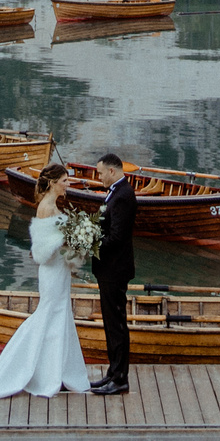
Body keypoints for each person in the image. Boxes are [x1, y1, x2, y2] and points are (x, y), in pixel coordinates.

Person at [0, 162, 92, 399]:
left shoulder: (53, 206)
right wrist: (71, 240)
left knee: (60, 315)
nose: (68, 185)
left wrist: (75, 241)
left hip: (60, 270)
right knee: (48, 314)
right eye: (65, 181)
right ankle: (36, 373)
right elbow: (43, 250)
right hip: (52, 271)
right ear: (53, 183)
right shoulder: (46, 208)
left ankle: (58, 371)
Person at [87, 152, 136, 395]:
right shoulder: (116, 192)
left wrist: (90, 243)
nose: (99, 178)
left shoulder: (123, 196)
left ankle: (119, 379)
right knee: (110, 323)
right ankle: (113, 373)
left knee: (116, 324)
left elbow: (117, 237)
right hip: (110, 269)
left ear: (112, 171)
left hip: (114, 269)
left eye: (100, 173)